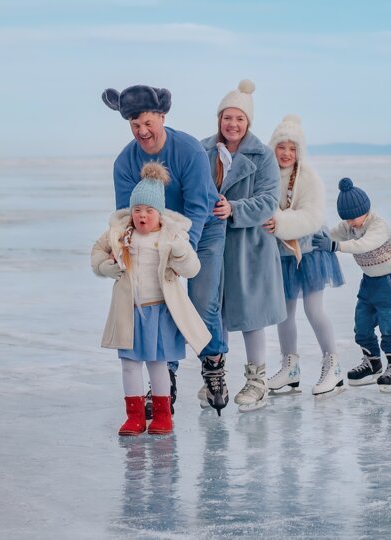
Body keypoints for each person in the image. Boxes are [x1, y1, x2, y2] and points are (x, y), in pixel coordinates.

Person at [102, 85, 230, 415]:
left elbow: (199, 203)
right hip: (154, 236)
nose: (142, 131)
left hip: (203, 229)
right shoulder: (124, 162)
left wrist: (179, 249)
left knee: (202, 301)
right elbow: (124, 214)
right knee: (160, 302)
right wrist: (124, 248)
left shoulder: (187, 150)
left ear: (162, 116)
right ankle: (165, 376)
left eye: (148, 122)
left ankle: (213, 365)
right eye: (134, 125)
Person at [91, 162, 211, 435]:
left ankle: (162, 415)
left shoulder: (172, 236)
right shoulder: (120, 234)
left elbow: (192, 269)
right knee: (130, 365)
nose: (142, 216)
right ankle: (134, 416)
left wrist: (181, 251)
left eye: (148, 211)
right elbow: (98, 252)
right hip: (130, 311)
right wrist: (106, 266)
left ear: (159, 213)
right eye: (137, 210)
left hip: (161, 311)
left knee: (158, 364)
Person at [201, 79, 286, 412]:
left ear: (248, 122)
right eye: (227, 118)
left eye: (239, 119)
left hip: (248, 245)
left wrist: (233, 209)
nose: (232, 124)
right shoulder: (204, 149)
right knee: (212, 309)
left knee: (251, 314)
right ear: (219, 120)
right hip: (211, 243)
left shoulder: (262, 155)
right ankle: (214, 375)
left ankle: (256, 380)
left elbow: (268, 199)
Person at [262, 114, 346, 396]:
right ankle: (290, 367)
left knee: (313, 309)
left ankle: (332, 364)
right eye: (281, 146)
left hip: (310, 253)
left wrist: (280, 223)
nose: (286, 153)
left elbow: (312, 215)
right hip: (282, 253)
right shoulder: (267, 174)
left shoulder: (308, 176)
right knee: (284, 314)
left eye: (292, 148)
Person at [312, 178, 391, 392]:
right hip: (369, 282)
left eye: (354, 217)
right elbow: (331, 234)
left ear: (366, 209)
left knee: (390, 327)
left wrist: (335, 246)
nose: (351, 222)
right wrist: (314, 237)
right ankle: (372, 363)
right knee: (361, 325)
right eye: (347, 218)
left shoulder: (378, 225)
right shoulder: (349, 225)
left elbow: (364, 245)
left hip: (390, 282)